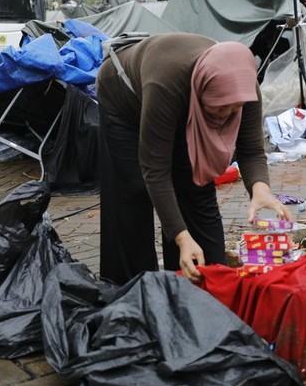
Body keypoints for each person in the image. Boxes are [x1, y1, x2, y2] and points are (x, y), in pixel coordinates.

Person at [96, 33, 291, 286]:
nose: (224, 116)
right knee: (134, 193)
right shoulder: (166, 84)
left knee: (196, 186)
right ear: (201, 92)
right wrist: (181, 237)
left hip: (179, 100)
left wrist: (260, 189)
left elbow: (251, 150)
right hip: (124, 99)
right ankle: (135, 290)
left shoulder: (244, 88)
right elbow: (155, 170)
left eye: (233, 110)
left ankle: (205, 282)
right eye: (219, 108)